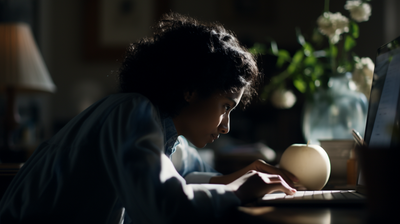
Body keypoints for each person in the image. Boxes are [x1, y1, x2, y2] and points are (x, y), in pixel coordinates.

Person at [0, 13, 297, 223]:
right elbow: (164, 207)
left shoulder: (169, 136)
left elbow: (187, 173)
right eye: (225, 106)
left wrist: (236, 179)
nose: (226, 124)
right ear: (191, 89)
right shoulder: (131, 111)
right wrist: (239, 190)